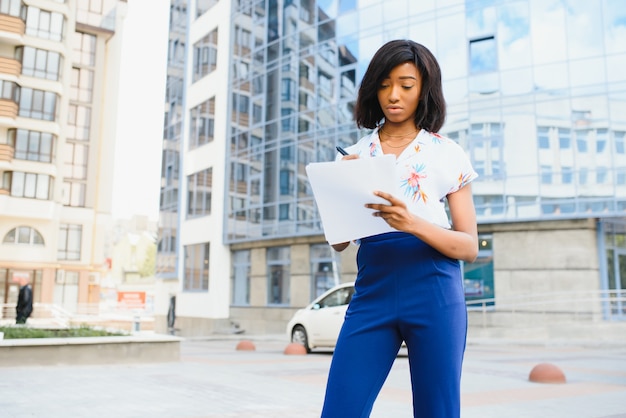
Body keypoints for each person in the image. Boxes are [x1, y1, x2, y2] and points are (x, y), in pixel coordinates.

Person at [321, 39, 478, 418]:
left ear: (424, 89)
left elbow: (469, 246)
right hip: (372, 288)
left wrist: (411, 223)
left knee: (437, 411)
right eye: (385, 84)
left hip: (435, 290)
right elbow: (339, 242)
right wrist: (342, 189)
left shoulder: (447, 152)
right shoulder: (355, 154)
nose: (394, 95)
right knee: (341, 409)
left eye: (406, 85)